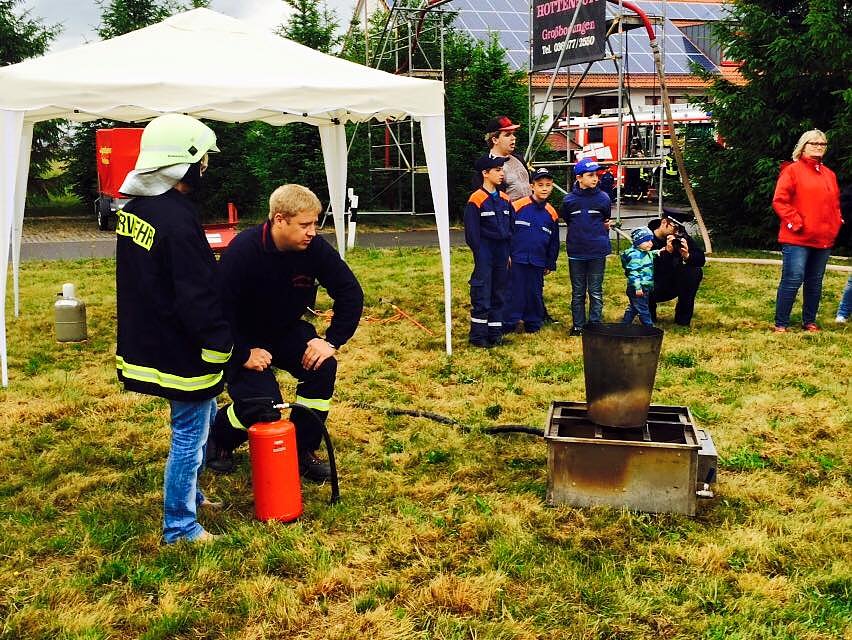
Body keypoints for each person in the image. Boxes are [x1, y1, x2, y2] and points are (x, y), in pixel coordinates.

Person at [115, 114, 232, 544]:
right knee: (190, 432)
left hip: (151, 339)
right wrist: (220, 344)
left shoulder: (139, 210)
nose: (206, 169)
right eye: (202, 161)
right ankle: (180, 526)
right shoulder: (178, 222)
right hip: (183, 348)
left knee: (192, 423)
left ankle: (193, 495)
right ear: (181, 163)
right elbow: (197, 295)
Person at [205, 184, 364, 480]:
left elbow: (350, 292)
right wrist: (241, 354)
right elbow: (217, 312)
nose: (312, 232)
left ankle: (302, 449)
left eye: (314, 223)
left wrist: (331, 341)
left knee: (322, 367)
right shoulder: (243, 251)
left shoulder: (314, 248)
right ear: (279, 220)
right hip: (242, 338)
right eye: (304, 224)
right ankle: (219, 436)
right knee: (264, 408)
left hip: (285, 330)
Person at [772, 129, 842, 332]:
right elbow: (780, 201)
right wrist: (796, 222)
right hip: (797, 238)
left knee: (815, 282)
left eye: (822, 144)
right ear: (804, 146)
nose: (819, 147)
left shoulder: (829, 174)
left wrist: (836, 222)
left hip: (823, 238)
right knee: (793, 279)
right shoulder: (792, 170)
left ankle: (809, 321)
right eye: (814, 143)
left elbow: (835, 204)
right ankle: (781, 323)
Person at [561, 157, 614, 335]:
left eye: (596, 175)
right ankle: (578, 326)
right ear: (579, 177)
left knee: (595, 291)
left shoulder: (603, 198)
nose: (595, 178)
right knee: (578, 292)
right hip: (576, 252)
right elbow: (568, 219)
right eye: (590, 175)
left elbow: (605, 218)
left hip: (597, 252)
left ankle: (595, 325)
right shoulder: (569, 200)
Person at [504, 167, 560, 333]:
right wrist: (507, 254)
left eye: (548, 185)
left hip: (538, 260)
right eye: (540, 184)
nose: (544, 188)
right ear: (531, 186)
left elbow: (554, 241)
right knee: (514, 291)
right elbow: (506, 232)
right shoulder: (517, 206)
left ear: (552, 187)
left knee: (534, 292)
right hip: (517, 259)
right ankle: (509, 323)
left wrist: (550, 262)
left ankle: (533, 323)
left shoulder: (552, 213)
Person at [464, 155, 513, 347]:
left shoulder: (505, 199)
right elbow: (472, 232)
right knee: (482, 292)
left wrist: (508, 252)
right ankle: (478, 337)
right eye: (497, 170)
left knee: (499, 292)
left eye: (502, 170)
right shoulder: (476, 199)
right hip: (485, 250)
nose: (501, 174)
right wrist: (480, 253)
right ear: (485, 173)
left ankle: (495, 333)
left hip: (502, 250)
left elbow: (511, 229)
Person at [647, 212, 705, 327]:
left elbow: (700, 259)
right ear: (664, 222)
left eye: (679, 228)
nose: (676, 232)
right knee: (642, 280)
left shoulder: (681, 237)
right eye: (675, 227)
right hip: (651, 284)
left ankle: (682, 320)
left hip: (673, 283)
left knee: (694, 271)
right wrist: (666, 253)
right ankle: (648, 318)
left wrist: (687, 255)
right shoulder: (646, 238)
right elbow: (644, 266)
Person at [484, 115, 531, 202]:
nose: (513, 138)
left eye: (513, 134)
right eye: (508, 135)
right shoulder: (486, 167)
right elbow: (490, 204)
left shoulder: (519, 159)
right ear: (495, 140)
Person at [621, 226, 656, 326]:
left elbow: (651, 255)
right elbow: (633, 273)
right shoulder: (635, 257)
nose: (651, 243)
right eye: (647, 241)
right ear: (638, 242)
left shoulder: (645, 253)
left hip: (644, 287)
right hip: (637, 288)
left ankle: (624, 324)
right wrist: (637, 287)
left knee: (634, 307)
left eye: (651, 240)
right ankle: (649, 328)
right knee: (643, 309)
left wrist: (659, 252)